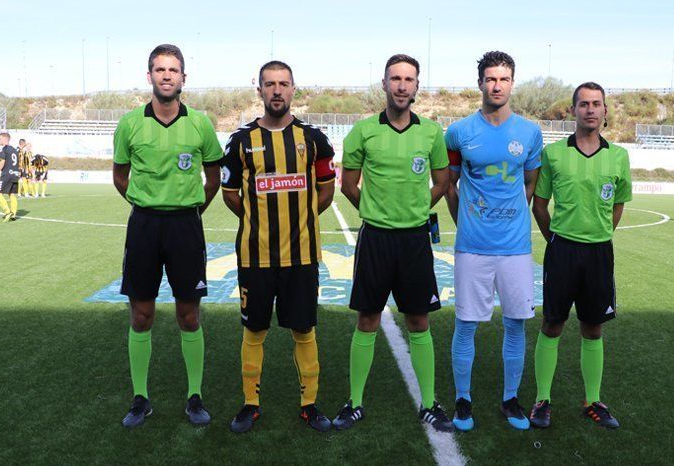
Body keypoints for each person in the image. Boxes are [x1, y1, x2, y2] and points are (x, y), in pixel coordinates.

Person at [333, 54, 452, 432]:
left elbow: (442, 180)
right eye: (395, 78)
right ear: (384, 84)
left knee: (418, 320)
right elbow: (348, 184)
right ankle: (354, 403)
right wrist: (375, 210)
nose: (402, 85)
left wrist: (416, 209)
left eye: (409, 79)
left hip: (415, 239)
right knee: (367, 319)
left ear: (418, 86)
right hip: (376, 239)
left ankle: (430, 404)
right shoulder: (363, 131)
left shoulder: (431, 133)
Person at [221, 61, 336, 434]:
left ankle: (309, 405)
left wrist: (303, 218)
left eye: (283, 84)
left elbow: (325, 190)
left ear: (293, 90)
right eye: (269, 84)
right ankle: (250, 403)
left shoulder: (314, 139)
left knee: (304, 330)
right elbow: (231, 195)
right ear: (259, 90)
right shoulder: (240, 142)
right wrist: (259, 220)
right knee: (254, 331)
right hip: (255, 257)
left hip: (301, 256)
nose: (276, 91)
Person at [112, 44, 223, 428]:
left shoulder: (200, 124)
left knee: (188, 314)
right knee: (141, 314)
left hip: (185, 227)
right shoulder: (129, 124)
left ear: (183, 78)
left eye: (173, 70)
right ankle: (140, 398)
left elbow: (213, 177)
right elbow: (120, 176)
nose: (166, 76)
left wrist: (189, 210)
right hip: (144, 226)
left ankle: (195, 396)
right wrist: (149, 205)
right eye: (159, 69)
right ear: (149, 77)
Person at [444, 51, 543, 431]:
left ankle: (510, 400)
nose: (496, 85)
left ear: (512, 83)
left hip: (515, 248)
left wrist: (514, 218)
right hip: (472, 246)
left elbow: (530, 183)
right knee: (466, 325)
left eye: (503, 79)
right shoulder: (459, 132)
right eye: (490, 78)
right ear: (480, 83)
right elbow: (449, 183)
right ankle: (463, 401)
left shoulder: (529, 133)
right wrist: (465, 220)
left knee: (516, 324)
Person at [530, 82, 631, 430]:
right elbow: (539, 205)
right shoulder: (554, 154)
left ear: (605, 111)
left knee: (593, 327)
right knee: (552, 324)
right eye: (583, 104)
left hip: (599, 253)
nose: (590, 109)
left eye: (596, 104)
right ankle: (542, 400)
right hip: (563, 251)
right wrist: (555, 240)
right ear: (573, 111)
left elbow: (617, 206)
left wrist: (600, 235)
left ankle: (593, 401)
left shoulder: (619, 156)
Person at [0, 132, 21, 222]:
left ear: (5, 139)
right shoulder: (14, 150)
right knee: (11, 194)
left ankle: (7, 211)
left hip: (7, 175)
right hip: (15, 174)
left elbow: (2, 162)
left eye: (0, 139)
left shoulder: (4, 149)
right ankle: (13, 214)